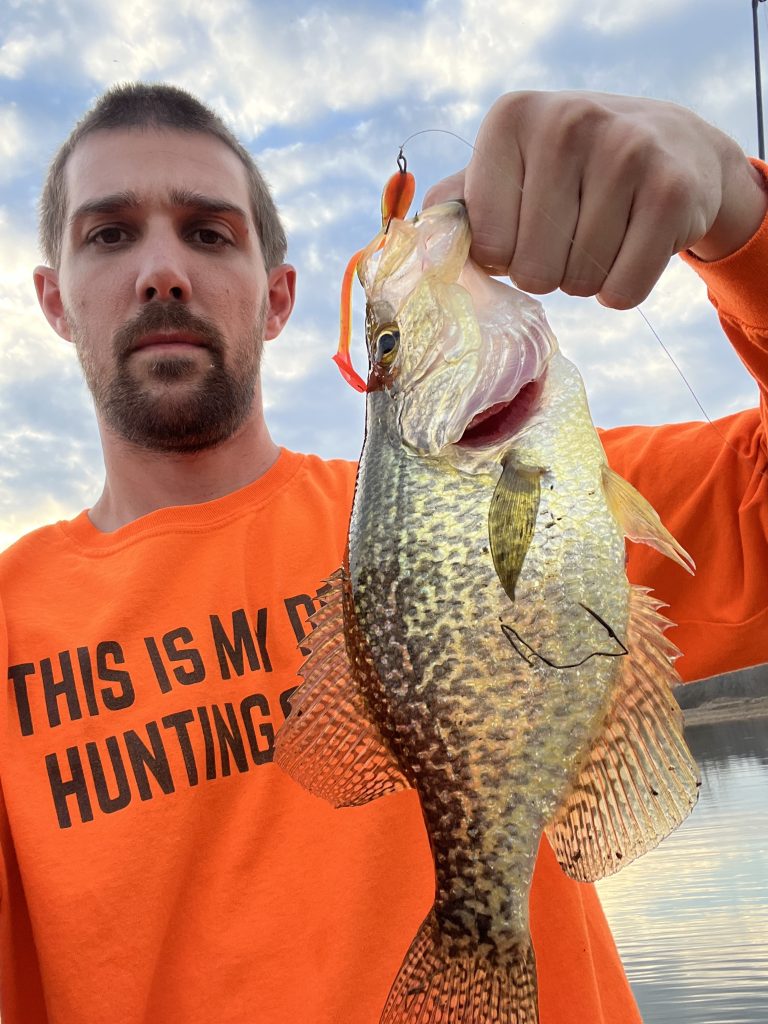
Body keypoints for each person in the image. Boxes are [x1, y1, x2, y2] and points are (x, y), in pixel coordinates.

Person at [0, 83, 765, 1024]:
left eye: (209, 233)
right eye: (109, 234)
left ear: (280, 298)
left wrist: (738, 215)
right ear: (53, 299)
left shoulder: (529, 490)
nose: (163, 271)